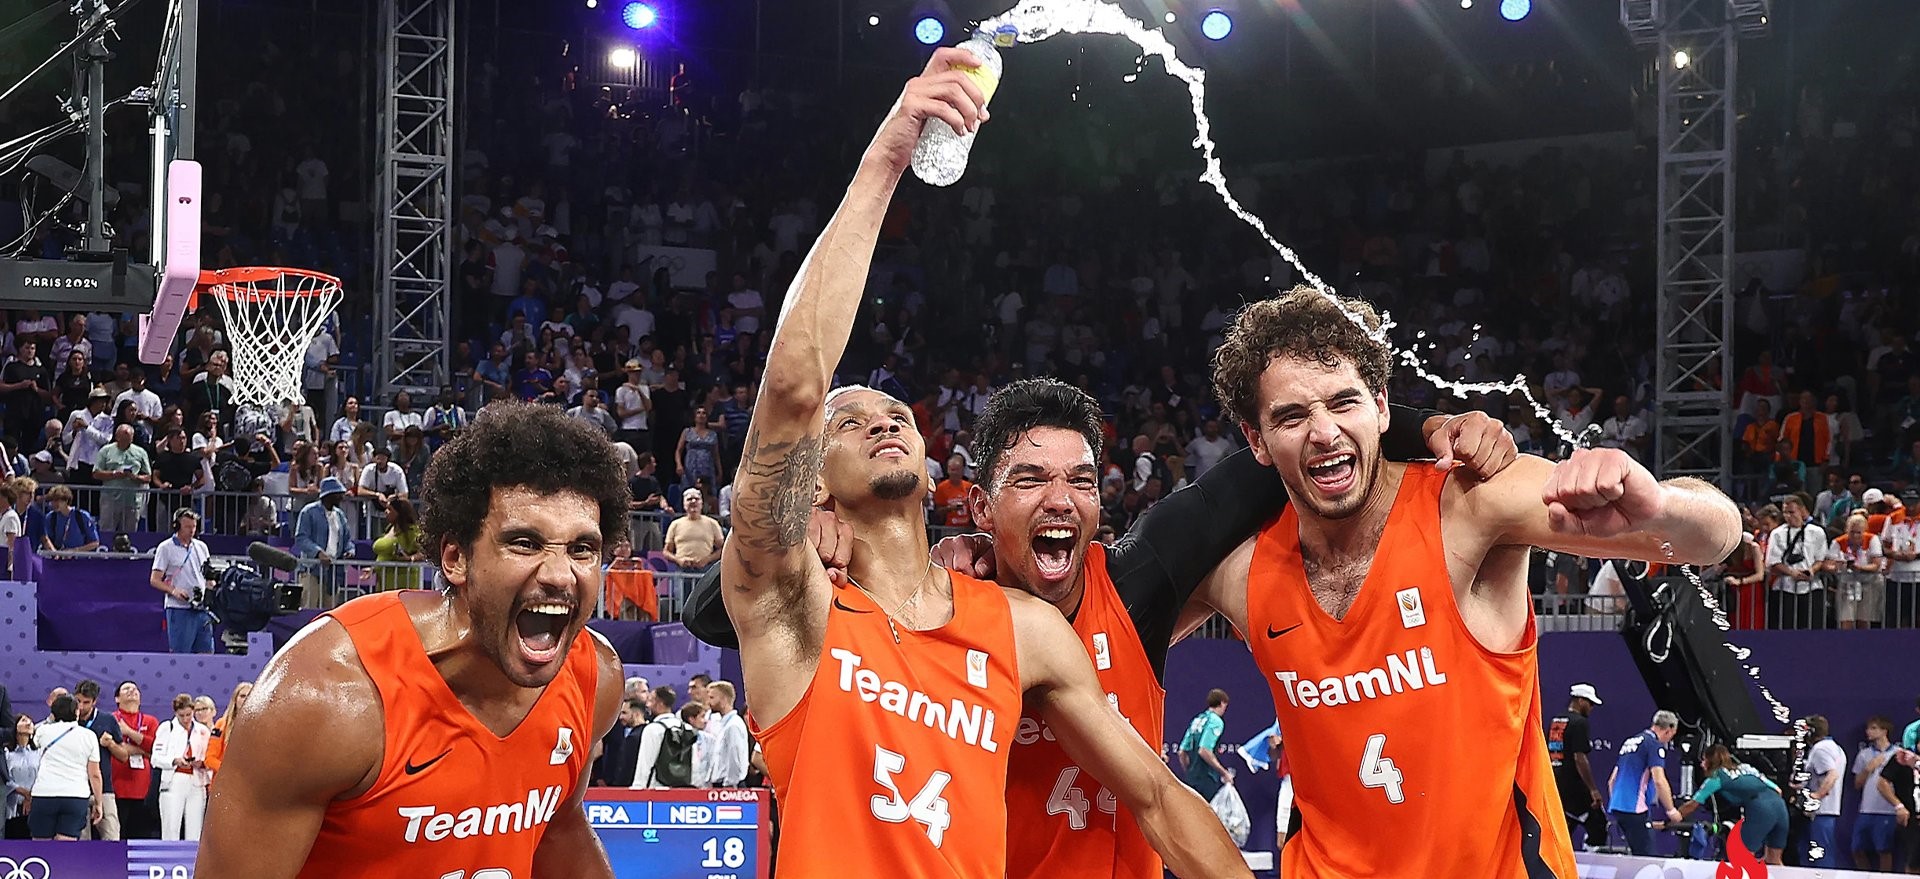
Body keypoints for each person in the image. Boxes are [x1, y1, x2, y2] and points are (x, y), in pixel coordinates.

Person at [714, 51, 1250, 879]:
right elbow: (792, 385)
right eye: (848, 420)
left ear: (936, 477)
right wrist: (888, 155)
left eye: (897, 415)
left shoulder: (1021, 628)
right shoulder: (794, 604)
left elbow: (1154, 795)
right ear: (813, 480)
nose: (881, 420)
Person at [685, 374, 1514, 878]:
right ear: (977, 506)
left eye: (1082, 481)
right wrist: (814, 535)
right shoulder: (934, 606)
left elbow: (1252, 476)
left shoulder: (1137, 583)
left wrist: (1418, 425)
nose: (1061, 500)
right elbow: (720, 610)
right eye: (1031, 479)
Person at [1179, 287, 1739, 878]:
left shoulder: (1470, 506)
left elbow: (1716, 536)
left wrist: (1656, 505)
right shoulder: (1239, 574)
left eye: (1344, 402)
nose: (1323, 432)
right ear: (1255, 441)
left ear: (1384, 408)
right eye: (1291, 416)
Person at [195, 401, 629, 878]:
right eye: (524, 543)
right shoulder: (323, 697)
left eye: (582, 549)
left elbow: (559, 827)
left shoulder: (595, 677)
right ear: (456, 558)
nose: (560, 575)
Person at [1676, 745, 1789, 865]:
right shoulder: (1746, 768)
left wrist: (1674, 816)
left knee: (1743, 859)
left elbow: (1692, 805)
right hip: (1780, 807)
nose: (1702, 764)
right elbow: (1778, 790)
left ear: (1710, 761)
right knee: (1774, 860)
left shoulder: (1716, 777)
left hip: (1761, 808)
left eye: (1704, 760)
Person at [1607, 710, 1684, 856]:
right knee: (1647, 860)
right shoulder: (1653, 745)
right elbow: (1659, 780)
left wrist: (1617, 803)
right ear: (1668, 730)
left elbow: (1612, 780)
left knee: (1636, 854)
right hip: (1635, 809)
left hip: (1617, 806)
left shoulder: (1630, 742)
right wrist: (1671, 810)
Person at [27, 694, 102, 840]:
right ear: (77, 712)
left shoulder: (43, 731)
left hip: (45, 794)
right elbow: (94, 774)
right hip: (76, 795)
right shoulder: (89, 736)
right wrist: (98, 803)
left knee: (41, 844)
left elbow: (34, 745)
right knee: (66, 846)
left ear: (53, 713)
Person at [1548, 684, 1607, 850]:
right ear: (1581, 700)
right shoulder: (1580, 723)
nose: (1592, 708)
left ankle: (1556, 860)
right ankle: (1595, 864)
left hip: (1556, 782)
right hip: (1574, 784)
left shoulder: (1556, 720)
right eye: (1590, 703)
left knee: (1564, 824)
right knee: (1597, 822)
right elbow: (1579, 757)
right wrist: (1593, 789)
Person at [150, 508, 214, 654]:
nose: (191, 531)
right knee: (181, 654)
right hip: (179, 608)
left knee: (207, 654)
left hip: (202, 609)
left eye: (194, 527)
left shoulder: (202, 547)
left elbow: (209, 575)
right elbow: (154, 580)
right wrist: (174, 591)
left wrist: (210, 590)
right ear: (177, 526)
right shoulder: (165, 548)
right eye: (187, 527)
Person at [151, 693, 212, 840]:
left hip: (197, 781)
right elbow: (155, 758)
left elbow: (209, 756)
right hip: (174, 780)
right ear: (175, 714)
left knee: (195, 830)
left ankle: (193, 861)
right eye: (181, 715)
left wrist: (202, 763)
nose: (185, 719)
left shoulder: (203, 730)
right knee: (171, 827)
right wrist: (174, 760)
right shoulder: (167, 727)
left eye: (189, 715)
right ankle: (168, 860)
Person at [109, 680, 159, 839]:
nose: (132, 691)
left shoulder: (150, 721)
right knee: (117, 835)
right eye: (126, 689)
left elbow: (156, 749)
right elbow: (109, 746)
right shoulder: (110, 719)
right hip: (116, 787)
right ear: (117, 698)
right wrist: (142, 751)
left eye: (135, 689)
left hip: (142, 789)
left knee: (140, 837)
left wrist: (128, 732)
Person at [294, 476, 354, 608]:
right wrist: (318, 553)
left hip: (333, 572)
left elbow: (347, 539)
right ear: (329, 495)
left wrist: (350, 550)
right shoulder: (309, 512)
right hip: (312, 570)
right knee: (308, 609)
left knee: (329, 614)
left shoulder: (340, 515)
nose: (341, 497)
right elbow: (301, 537)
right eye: (338, 494)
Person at [1854, 716, 1901, 871]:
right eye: (1868, 728)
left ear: (1884, 731)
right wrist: (1868, 768)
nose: (1869, 731)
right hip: (1866, 809)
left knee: (1884, 850)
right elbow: (1857, 784)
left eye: (1873, 728)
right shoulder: (1864, 754)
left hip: (1887, 810)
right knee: (1857, 849)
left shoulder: (1898, 754)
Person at [1803, 714, 1845, 867]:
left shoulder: (1821, 749)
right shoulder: (1835, 747)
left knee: (1820, 857)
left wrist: (1817, 796)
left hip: (1820, 812)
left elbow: (1832, 774)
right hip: (1825, 812)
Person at [1177, 689, 1232, 800]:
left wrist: (1189, 772)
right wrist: (1224, 772)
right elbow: (1204, 750)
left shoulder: (1197, 720)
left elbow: (1181, 752)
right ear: (1222, 703)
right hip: (1207, 778)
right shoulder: (1216, 721)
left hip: (1192, 779)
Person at [373, 496, 427, 591]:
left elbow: (424, 552)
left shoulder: (412, 531)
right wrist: (373, 569)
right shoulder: (389, 528)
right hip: (384, 581)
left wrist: (410, 558)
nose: (386, 512)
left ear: (399, 512)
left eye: (389, 509)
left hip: (404, 582)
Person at [201, 682, 250, 785]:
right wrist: (229, 772)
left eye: (249, 695)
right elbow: (209, 759)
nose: (246, 699)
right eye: (242, 696)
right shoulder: (221, 724)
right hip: (224, 784)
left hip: (249, 784)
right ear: (235, 699)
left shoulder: (258, 726)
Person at [663, 488, 723, 571]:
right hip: (681, 570)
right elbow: (666, 552)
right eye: (689, 499)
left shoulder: (712, 523)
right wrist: (679, 560)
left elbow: (722, 549)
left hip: (705, 569)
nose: (693, 501)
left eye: (697, 499)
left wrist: (707, 560)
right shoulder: (675, 524)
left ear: (701, 503)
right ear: (684, 504)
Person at [5, 712, 39, 839]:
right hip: (13, 808)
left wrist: (30, 797)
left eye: (30, 720)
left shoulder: (39, 753)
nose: (29, 722)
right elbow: (4, 778)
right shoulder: (7, 753)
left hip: (36, 807)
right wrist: (24, 792)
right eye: (24, 720)